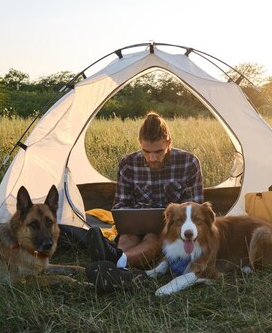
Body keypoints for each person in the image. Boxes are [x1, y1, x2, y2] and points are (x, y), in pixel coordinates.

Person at [85, 112, 203, 291]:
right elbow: (121, 205)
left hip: (173, 230)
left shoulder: (188, 163)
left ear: (169, 143)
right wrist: (130, 219)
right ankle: (119, 271)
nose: (152, 158)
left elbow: (195, 211)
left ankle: (111, 263)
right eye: (146, 152)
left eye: (158, 152)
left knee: (152, 238)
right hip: (136, 227)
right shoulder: (128, 164)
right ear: (140, 144)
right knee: (126, 237)